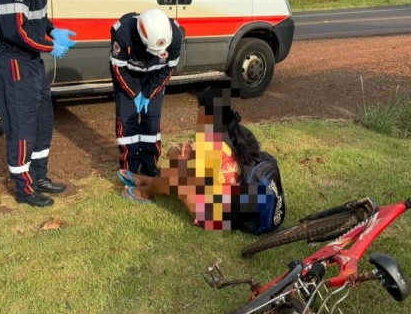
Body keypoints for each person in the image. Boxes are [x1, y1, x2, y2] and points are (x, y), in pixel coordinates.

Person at [0, 0, 83, 207]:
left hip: (31, 61)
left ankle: (39, 176)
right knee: (23, 128)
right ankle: (24, 189)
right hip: (12, 62)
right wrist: (51, 46)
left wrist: (52, 30)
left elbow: (35, 17)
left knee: (43, 121)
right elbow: (15, 30)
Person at [118, 81, 286, 233]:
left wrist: (175, 155)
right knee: (178, 171)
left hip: (219, 216)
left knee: (174, 174)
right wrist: (191, 156)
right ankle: (147, 181)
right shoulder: (239, 132)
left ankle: (145, 192)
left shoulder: (210, 143)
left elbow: (194, 179)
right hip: (236, 202)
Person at [110, 8, 182, 177]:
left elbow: (169, 68)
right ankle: (130, 167)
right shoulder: (123, 34)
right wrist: (134, 93)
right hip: (128, 76)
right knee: (127, 122)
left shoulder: (176, 35)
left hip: (155, 78)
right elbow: (118, 69)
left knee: (152, 121)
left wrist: (150, 93)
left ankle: (150, 165)